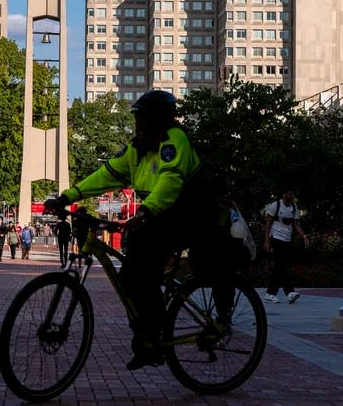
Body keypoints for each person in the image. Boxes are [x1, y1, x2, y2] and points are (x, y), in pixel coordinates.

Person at [45, 90, 218, 371]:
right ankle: (147, 337)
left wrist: (144, 211)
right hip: (159, 215)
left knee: (139, 275)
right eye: (136, 119)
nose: (137, 124)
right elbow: (106, 175)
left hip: (188, 214)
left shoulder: (174, 141)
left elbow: (170, 183)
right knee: (130, 276)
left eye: (141, 119)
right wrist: (66, 198)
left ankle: (156, 332)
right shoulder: (138, 148)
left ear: (158, 120)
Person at [263, 188, 308, 304]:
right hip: (276, 238)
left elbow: (296, 224)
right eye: (290, 194)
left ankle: (270, 293)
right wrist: (267, 241)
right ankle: (289, 292)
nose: (292, 196)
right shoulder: (275, 205)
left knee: (279, 267)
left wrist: (304, 236)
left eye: (293, 194)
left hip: (287, 240)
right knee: (282, 266)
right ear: (284, 194)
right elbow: (267, 224)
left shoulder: (294, 207)